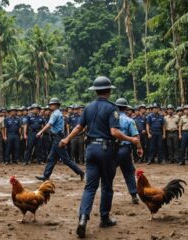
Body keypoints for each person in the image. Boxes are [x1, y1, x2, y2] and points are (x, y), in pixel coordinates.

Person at [59, 76, 139, 238]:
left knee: (90, 187)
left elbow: (79, 127)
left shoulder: (88, 108)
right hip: (106, 151)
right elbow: (114, 132)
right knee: (107, 186)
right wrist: (131, 139)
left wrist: (67, 139)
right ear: (109, 91)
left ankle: (83, 218)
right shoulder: (112, 108)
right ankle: (104, 218)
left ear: (95, 91)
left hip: (90, 150)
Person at [35, 98, 85, 181]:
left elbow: (49, 124)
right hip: (57, 137)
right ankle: (46, 176)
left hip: (58, 138)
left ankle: (80, 172)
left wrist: (40, 132)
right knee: (51, 158)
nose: (50, 106)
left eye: (51, 104)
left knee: (66, 160)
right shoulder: (57, 113)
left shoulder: (55, 114)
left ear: (56, 105)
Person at [114, 98, 143, 204]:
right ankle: (134, 194)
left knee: (108, 173)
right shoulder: (130, 120)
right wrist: (139, 148)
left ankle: (107, 194)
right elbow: (136, 136)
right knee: (129, 172)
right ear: (126, 108)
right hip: (125, 149)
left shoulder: (111, 119)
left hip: (112, 149)